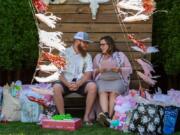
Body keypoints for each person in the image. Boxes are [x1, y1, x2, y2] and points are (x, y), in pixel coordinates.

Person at [53, 32, 97, 125]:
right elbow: (58, 73)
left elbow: (88, 73)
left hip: (80, 83)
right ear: (77, 41)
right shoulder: (63, 53)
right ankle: (62, 116)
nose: (87, 45)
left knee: (92, 86)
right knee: (56, 87)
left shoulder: (87, 55)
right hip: (65, 82)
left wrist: (78, 84)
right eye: (85, 42)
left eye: (87, 43)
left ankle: (86, 117)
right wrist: (67, 84)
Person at [93, 36, 132, 127]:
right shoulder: (98, 57)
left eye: (103, 44)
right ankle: (106, 115)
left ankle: (108, 118)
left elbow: (130, 69)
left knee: (113, 93)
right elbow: (92, 71)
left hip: (117, 80)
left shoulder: (120, 55)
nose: (101, 47)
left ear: (109, 45)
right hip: (102, 80)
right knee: (102, 92)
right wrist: (99, 70)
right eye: (100, 45)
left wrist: (120, 69)